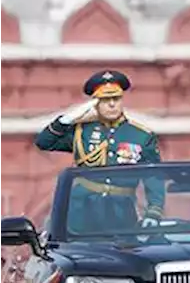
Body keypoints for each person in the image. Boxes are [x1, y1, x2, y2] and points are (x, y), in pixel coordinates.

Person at [34, 70, 164, 232]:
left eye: (116, 99)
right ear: (95, 103)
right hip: (81, 212)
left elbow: (153, 176)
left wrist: (153, 212)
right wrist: (66, 120)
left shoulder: (141, 135)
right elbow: (44, 142)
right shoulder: (82, 132)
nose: (111, 104)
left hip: (121, 213)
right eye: (104, 100)